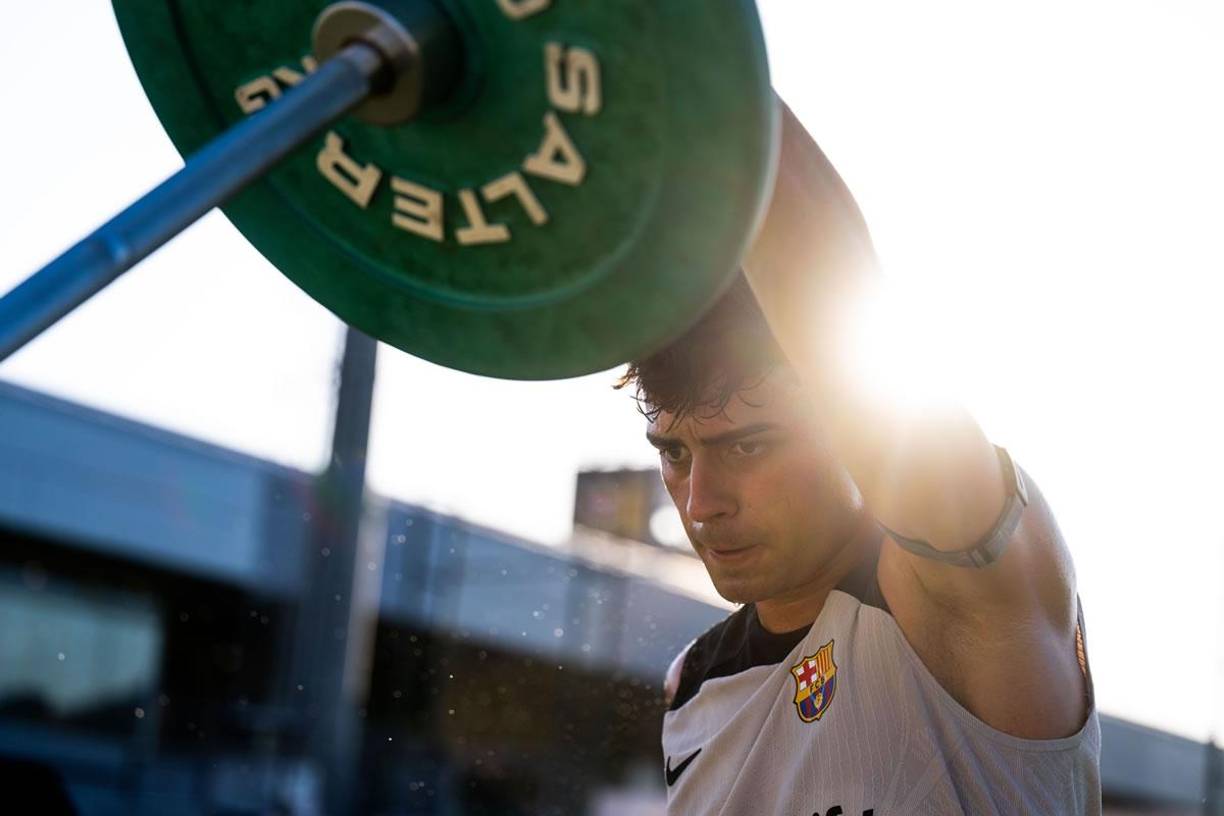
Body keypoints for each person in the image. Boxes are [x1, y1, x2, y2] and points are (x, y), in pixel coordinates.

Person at [615, 100, 1100, 815]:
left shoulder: (963, 591)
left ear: (849, 422)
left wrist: (699, 70)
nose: (700, 502)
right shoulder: (691, 685)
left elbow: (833, 284)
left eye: (747, 446)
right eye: (676, 454)